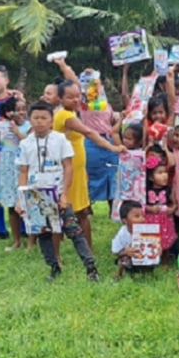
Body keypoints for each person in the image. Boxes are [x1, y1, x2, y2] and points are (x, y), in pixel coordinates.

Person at [15, 101, 99, 282]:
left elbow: (68, 167)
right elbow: (23, 171)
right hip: (36, 195)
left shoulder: (60, 140)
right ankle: (53, 267)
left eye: (44, 118)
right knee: (44, 232)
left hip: (58, 194)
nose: (39, 122)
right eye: (36, 118)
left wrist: (64, 194)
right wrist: (20, 199)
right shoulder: (26, 144)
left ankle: (90, 267)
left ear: (51, 120)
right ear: (30, 120)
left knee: (73, 230)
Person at [54, 80, 125, 252]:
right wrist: (113, 147)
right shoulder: (65, 116)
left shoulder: (72, 113)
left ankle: (87, 249)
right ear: (61, 98)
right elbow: (89, 132)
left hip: (77, 171)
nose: (76, 100)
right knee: (65, 213)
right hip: (66, 171)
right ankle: (61, 253)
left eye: (78, 96)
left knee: (82, 212)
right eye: (70, 97)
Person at [0, 96, 28, 250]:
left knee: (29, 202)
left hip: (25, 166)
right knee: (11, 204)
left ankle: (31, 239)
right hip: (8, 168)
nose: (22, 113)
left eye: (24, 109)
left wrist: (16, 131)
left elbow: (29, 143)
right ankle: (16, 240)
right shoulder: (1, 126)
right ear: (9, 112)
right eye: (19, 110)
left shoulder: (29, 126)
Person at [110, 200, 148, 281]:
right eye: (137, 216)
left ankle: (145, 272)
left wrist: (158, 249)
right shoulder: (122, 234)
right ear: (125, 220)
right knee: (123, 258)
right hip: (130, 259)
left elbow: (155, 245)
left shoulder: (147, 231)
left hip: (144, 258)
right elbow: (116, 251)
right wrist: (125, 252)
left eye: (143, 216)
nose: (142, 219)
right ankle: (119, 273)